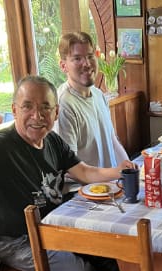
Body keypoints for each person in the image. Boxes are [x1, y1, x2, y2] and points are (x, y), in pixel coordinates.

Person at [0, 75, 136, 271]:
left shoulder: (52, 140)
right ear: (14, 110)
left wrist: (118, 171)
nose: (37, 116)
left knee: (107, 252)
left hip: (52, 227)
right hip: (18, 242)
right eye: (27, 107)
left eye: (46, 107)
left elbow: (84, 172)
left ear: (56, 112)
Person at [55, 31, 129, 168]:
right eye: (77, 59)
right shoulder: (64, 105)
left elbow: (112, 141)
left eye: (90, 56)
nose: (87, 64)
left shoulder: (98, 94)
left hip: (112, 183)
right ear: (63, 66)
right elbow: (70, 168)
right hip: (86, 189)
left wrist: (130, 170)